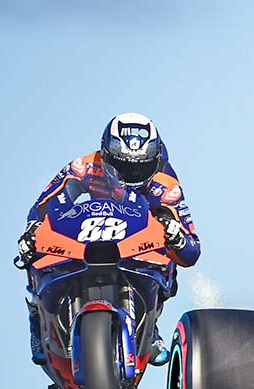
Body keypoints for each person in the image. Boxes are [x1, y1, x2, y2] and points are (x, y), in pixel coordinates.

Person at [17, 113, 200, 366]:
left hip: (136, 237)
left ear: (155, 159)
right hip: (88, 232)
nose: (132, 173)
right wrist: (33, 229)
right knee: (32, 251)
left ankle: (151, 323)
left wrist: (175, 234)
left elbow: (191, 250)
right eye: (122, 165)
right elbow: (43, 204)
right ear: (106, 155)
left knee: (169, 259)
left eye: (140, 166)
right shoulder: (84, 167)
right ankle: (37, 321)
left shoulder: (166, 184)